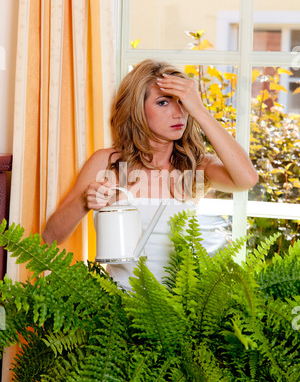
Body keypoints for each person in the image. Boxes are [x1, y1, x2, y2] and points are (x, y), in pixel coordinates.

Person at [42, 59, 258, 288]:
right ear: (137, 109)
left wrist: (201, 111)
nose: (178, 114)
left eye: (183, 103)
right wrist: (85, 201)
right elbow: (50, 237)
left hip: (180, 312)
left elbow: (247, 179)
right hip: (116, 310)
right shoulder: (108, 162)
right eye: (163, 103)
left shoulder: (197, 166)